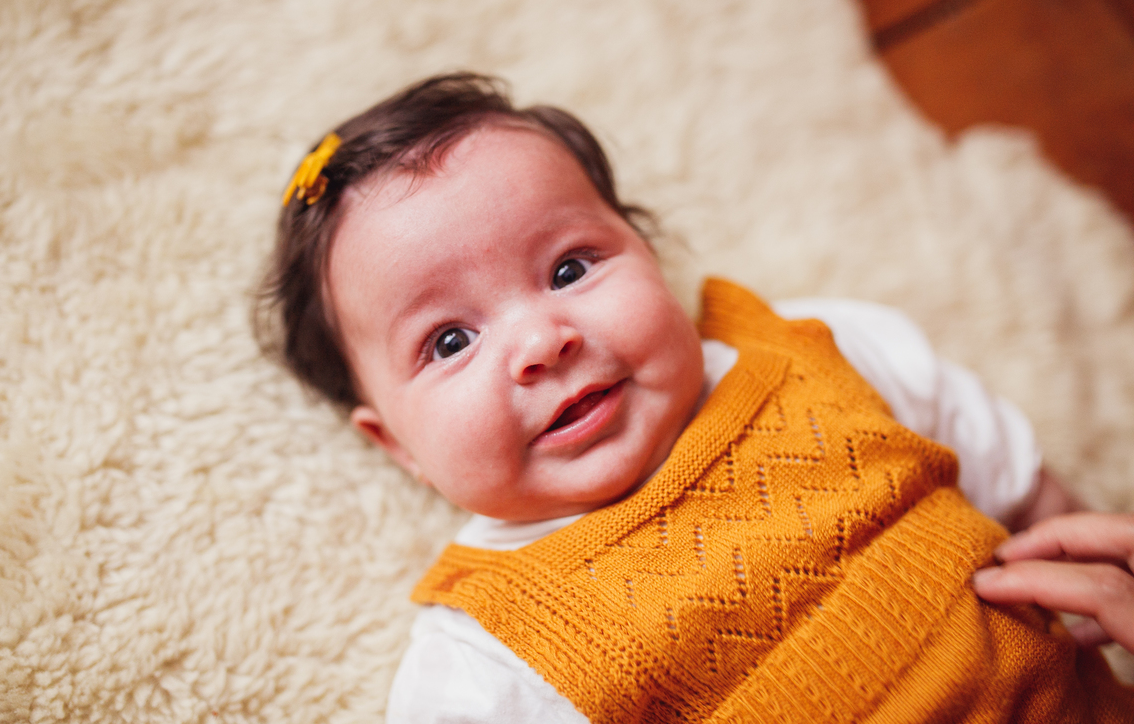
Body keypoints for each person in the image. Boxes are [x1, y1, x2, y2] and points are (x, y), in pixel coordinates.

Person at [256, 73, 1134, 723]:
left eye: (570, 268)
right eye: (450, 341)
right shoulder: (485, 658)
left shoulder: (823, 349)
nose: (541, 341)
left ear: (647, 252)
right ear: (397, 445)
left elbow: (1034, 505)